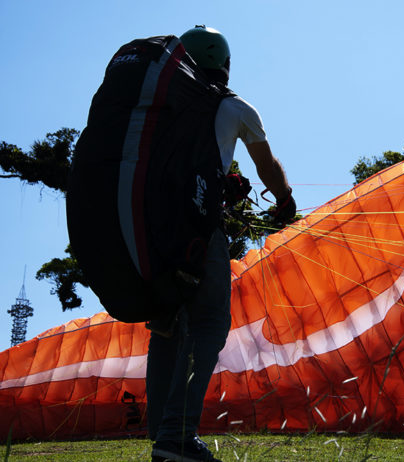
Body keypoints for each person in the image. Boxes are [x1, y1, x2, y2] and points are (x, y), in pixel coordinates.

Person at [66, 26, 295, 462]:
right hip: (195, 232)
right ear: (224, 66)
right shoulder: (233, 106)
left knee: (168, 327)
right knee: (209, 324)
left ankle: (164, 439)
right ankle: (177, 434)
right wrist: (284, 200)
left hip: (150, 229)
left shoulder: (159, 108)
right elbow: (268, 166)